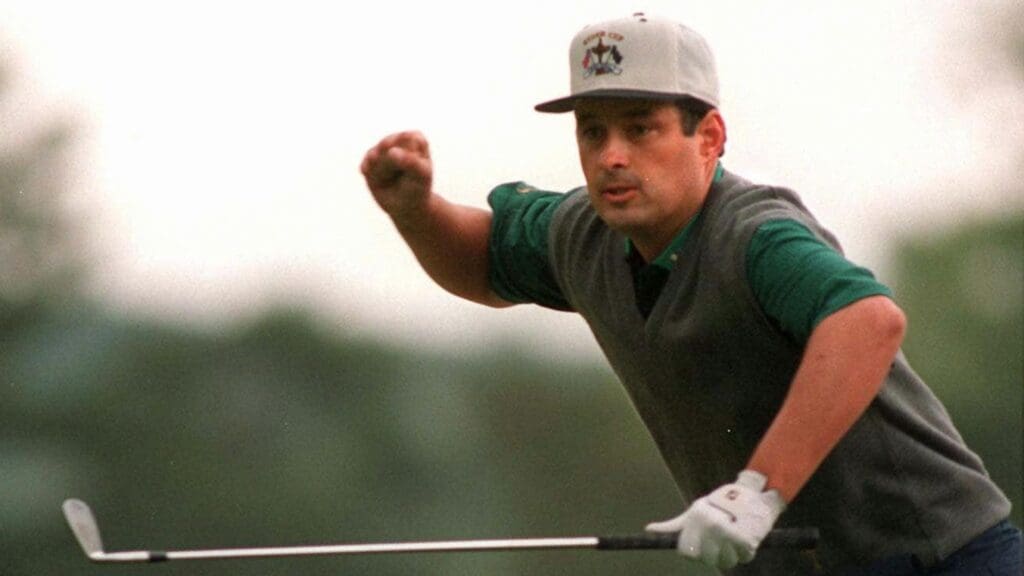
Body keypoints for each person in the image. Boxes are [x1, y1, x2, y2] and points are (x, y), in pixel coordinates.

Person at [359, 13, 1021, 575]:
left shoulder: (759, 235)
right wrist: (416, 211)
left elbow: (868, 322)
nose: (611, 155)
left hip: (945, 556)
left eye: (639, 128)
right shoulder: (579, 231)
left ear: (708, 138)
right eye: (593, 131)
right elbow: (482, 261)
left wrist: (755, 494)